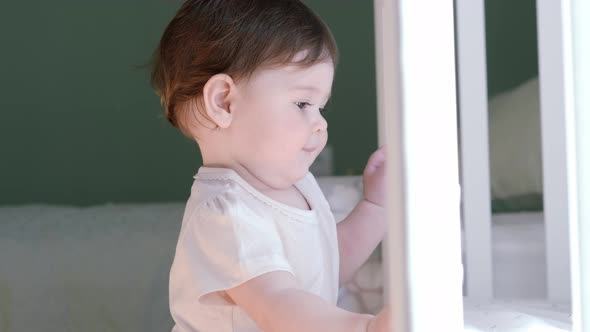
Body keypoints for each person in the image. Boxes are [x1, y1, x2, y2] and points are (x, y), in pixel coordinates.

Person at [151, 0, 390, 331]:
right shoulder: (225, 215)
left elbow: (326, 266)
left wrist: (376, 207)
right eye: (303, 103)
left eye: (321, 107)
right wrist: (366, 327)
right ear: (224, 101)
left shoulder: (300, 185)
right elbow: (279, 305)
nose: (320, 124)